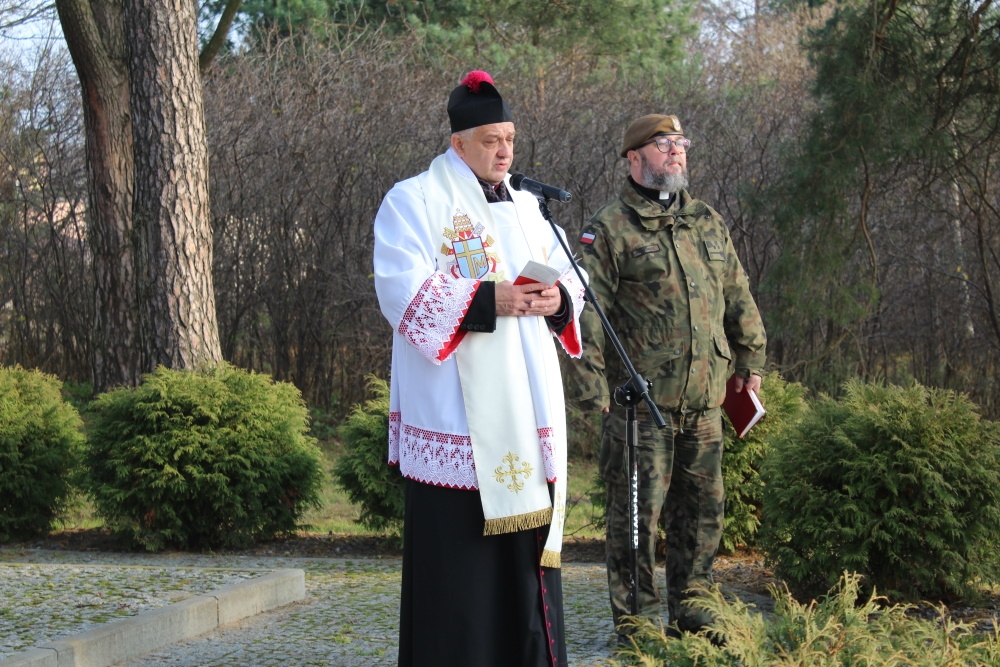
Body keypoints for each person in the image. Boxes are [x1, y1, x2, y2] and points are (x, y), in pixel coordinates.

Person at [373, 70, 586, 667]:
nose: (504, 151)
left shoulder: (528, 207)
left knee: (524, 577)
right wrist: (493, 300)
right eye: (491, 139)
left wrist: (558, 299)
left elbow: (569, 272)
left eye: (511, 139)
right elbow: (402, 292)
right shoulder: (414, 200)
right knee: (459, 586)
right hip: (456, 424)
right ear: (458, 142)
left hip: (528, 417)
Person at [568, 114, 767, 641]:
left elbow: (738, 294)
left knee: (702, 519)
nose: (676, 152)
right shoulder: (610, 227)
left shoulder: (706, 220)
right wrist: (592, 393)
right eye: (663, 145)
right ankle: (637, 625)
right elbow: (586, 312)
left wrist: (750, 361)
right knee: (636, 523)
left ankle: (694, 612)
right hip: (640, 410)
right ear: (634, 159)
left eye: (680, 143)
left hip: (703, 405)